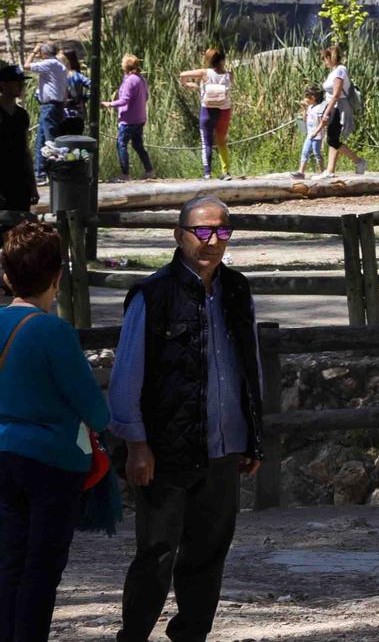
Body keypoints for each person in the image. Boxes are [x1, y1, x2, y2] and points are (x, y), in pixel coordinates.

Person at [110, 196, 264, 642]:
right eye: (201, 231)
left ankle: (190, 635)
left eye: (220, 232)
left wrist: (253, 436)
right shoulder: (152, 295)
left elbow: (248, 365)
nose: (211, 241)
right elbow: (125, 379)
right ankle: (133, 635)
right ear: (179, 236)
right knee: (156, 554)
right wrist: (136, 445)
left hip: (223, 447)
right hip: (165, 452)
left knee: (208, 552)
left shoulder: (237, 289)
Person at [0, 220, 112, 641]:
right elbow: (95, 412)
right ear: (57, 275)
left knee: (9, 564)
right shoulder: (54, 332)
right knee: (40, 571)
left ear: (7, 275)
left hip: (2, 456)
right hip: (50, 464)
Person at [177, 48, 234, 181]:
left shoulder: (204, 73)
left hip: (208, 110)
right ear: (223, 60)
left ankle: (207, 173)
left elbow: (182, 74)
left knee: (206, 142)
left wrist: (186, 84)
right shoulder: (230, 75)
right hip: (224, 111)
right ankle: (225, 172)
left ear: (210, 60)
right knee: (221, 141)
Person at [317, 44, 367, 176]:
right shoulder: (334, 71)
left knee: (332, 139)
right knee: (332, 138)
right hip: (334, 106)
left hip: (338, 107)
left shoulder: (340, 70)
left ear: (329, 57)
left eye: (324, 58)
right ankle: (330, 170)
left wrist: (326, 113)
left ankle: (358, 161)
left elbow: (336, 94)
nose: (324, 62)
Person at [103, 54, 154, 181]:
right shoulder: (141, 78)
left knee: (121, 144)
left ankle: (125, 174)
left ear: (126, 65)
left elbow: (124, 100)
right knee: (138, 145)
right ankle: (149, 170)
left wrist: (109, 104)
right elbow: (146, 97)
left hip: (128, 119)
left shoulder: (130, 80)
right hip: (140, 118)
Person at [24, 46, 68, 184]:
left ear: (44, 53)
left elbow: (26, 66)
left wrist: (33, 51)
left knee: (50, 141)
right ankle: (40, 173)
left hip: (49, 106)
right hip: (55, 105)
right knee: (42, 141)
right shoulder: (60, 65)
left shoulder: (49, 64)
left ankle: (56, 173)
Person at [0, 66, 35, 215]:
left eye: (23, 82)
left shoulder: (22, 115)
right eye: (16, 82)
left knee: (20, 231)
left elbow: (26, 150)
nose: (21, 86)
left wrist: (33, 186)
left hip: (21, 179)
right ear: (3, 84)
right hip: (2, 177)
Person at [293, 87, 328, 179]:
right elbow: (305, 119)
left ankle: (322, 171)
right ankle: (301, 172)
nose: (305, 99)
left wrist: (316, 132)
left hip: (316, 135)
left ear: (313, 97)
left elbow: (322, 123)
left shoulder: (319, 108)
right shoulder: (310, 107)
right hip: (310, 134)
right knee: (305, 152)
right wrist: (305, 109)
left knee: (317, 153)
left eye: (307, 96)